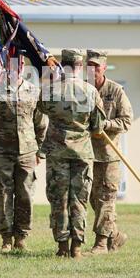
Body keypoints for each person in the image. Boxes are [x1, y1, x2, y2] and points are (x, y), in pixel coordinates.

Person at [38, 49, 106, 259]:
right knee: (79, 199)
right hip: (82, 154)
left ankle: (62, 247)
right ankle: (77, 247)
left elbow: (41, 110)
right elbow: (97, 127)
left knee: (59, 199)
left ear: (62, 65)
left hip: (57, 152)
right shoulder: (91, 91)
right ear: (80, 66)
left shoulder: (49, 90)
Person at [0, 53, 48, 253]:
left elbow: (41, 123)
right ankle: (6, 238)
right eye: (12, 63)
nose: (17, 66)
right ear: (6, 66)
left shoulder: (33, 91)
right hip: (0, 152)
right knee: (3, 195)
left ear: (24, 66)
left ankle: (22, 237)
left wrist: (40, 151)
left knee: (26, 195)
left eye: (20, 63)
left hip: (27, 153)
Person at [86, 49, 133, 254]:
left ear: (104, 67)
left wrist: (105, 124)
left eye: (96, 66)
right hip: (86, 153)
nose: (92, 70)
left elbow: (126, 120)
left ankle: (101, 244)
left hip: (108, 154)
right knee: (93, 199)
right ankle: (116, 236)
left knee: (106, 198)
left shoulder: (115, 91)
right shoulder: (82, 91)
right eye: (89, 66)